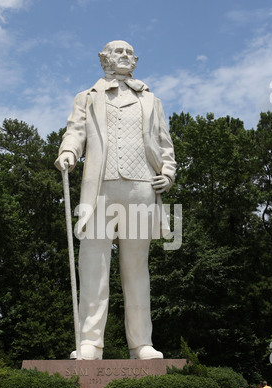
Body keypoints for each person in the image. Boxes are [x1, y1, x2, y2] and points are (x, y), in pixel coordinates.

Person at [55, 40, 177, 360]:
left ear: (135, 60)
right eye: (117, 51)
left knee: (136, 268)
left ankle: (141, 344)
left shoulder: (152, 100)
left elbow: (165, 146)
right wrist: (69, 152)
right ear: (104, 58)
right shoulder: (87, 98)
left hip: (141, 189)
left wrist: (169, 172)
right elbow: (75, 132)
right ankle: (91, 343)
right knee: (93, 266)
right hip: (100, 190)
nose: (124, 56)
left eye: (128, 52)